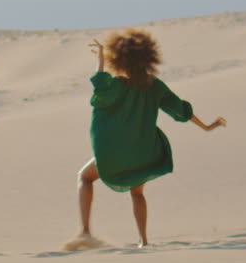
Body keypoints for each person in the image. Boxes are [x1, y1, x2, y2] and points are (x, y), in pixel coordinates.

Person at [67, 28, 226, 250]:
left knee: (85, 178)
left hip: (115, 153)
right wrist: (207, 127)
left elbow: (100, 86)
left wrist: (101, 60)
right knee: (137, 193)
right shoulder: (154, 86)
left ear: (119, 59)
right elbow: (180, 110)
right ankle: (143, 240)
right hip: (143, 152)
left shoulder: (117, 85)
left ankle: (85, 232)